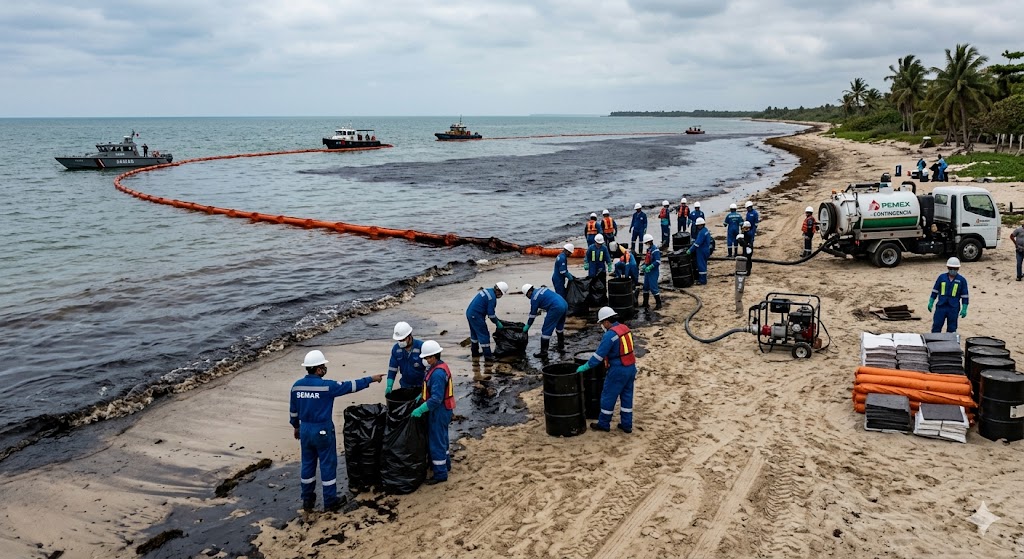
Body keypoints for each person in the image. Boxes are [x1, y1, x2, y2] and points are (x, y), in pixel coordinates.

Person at [289, 350, 383, 511]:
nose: (325, 368)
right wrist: (371, 379)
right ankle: (330, 501)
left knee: (307, 465)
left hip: (305, 429)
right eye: (323, 366)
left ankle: (307, 500)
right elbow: (350, 386)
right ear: (318, 369)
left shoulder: (296, 386)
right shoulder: (327, 387)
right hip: (322, 430)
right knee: (327, 464)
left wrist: (296, 427)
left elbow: (293, 412)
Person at [576, 307, 637, 433]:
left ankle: (604, 424)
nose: (602, 326)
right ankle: (627, 425)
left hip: (618, 370)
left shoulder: (610, 335)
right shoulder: (625, 328)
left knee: (608, 396)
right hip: (630, 367)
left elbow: (598, 356)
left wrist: (585, 367)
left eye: (602, 323)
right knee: (627, 396)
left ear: (606, 322)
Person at [409, 340, 454, 485]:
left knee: (436, 442)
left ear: (434, 356)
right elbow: (430, 390)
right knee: (442, 438)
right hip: (444, 409)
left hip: (439, 411)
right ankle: (446, 464)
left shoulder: (437, 374)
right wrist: (421, 396)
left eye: (428, 357)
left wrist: (421, 409)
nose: (426, 360)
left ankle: (440, 474)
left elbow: (436, 399)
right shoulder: (438, 367)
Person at [521, 283, 568, 358]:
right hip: (564, 304)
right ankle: (561, 346)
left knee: (546, 329)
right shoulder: (541, 289)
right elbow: (547, 299)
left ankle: (543, 352)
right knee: (560, 327)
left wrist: (528, 325)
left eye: (527, 295)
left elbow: (532, 314)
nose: (528, 297)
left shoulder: (534, 298)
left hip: (555, 307)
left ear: (529, 292)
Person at [466, 282, 509, 362]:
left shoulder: (488, 290)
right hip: (476, 316)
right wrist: (497, 323)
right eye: (501, 294)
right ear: (499, 291)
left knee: (474, 334)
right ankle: (488, 356)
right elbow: (491, 314)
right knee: (484, 335)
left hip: (470, 313)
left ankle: (475, 353)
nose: (500, 296)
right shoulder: (492, 298)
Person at [928, 257, 969, 333]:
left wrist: (964, 308)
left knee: (952, 327)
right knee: (937, 325)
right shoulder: (941, 277)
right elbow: (935, 291)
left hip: (953, 307)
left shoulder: (962, 280)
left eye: (955, 268)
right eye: (951, 268)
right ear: (947, 267)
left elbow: (965, 296)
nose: (953, 270)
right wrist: (931, 302)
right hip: (941, 306)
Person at [385, 321, 426, 394]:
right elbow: (392, 369)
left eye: (403, 339)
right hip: (405, 385)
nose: (401, 342)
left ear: (409, 336)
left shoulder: (421, 347)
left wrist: (426, 390)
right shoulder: (396, 349)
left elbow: (430, 370)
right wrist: (389, 386)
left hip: (421, 386)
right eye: (399, 340)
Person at [640, 233, 662, 310]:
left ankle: (659, 303)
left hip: (653, 272)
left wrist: (650, 266)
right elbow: (647, 260)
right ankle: (645, 303)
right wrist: (644, 265)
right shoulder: (649, 250)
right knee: (645, 287)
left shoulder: (655, 250)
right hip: (648, 272)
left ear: (649, 242)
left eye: (646, 243)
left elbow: (658, 261)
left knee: (653, 288)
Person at [687, 217, 711, 285]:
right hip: (706, 249)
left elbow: (697, 244)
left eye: (698, 225)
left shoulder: (702, 233)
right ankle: (703, 278)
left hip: (701, 251)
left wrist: (690, 250)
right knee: (704, 264)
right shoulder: (706, 230)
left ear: (701, 225)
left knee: (701, 265)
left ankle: (702, 281)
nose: (697, 227)